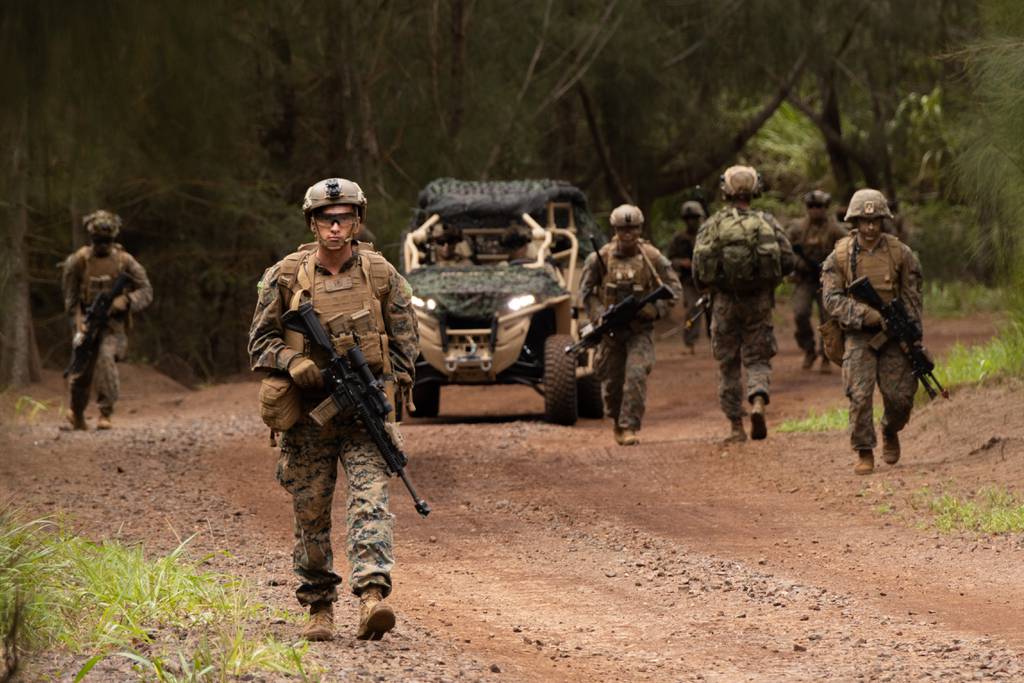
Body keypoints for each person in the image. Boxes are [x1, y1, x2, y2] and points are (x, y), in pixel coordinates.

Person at [248, 178, 419, 641]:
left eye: (344, 217)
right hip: (307, 418)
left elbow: (406, 340)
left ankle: (371, 598)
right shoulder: (285, 276)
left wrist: (388, 392)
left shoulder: (381, 274)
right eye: (327, 218)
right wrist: (293, 361)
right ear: (313, 223)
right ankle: (319, 608)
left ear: (357, 221)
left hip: (363, 417)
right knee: (310, 513)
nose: (336, 226)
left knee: (370, 503)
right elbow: (259, 343)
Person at [821, 188, 923, 475]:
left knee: (900, 397)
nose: (869, 227)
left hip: (894, 336)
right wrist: (868, 316)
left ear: (883, 221)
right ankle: (864, 450)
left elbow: (913, 296)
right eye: (864, 222)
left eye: (876, 221)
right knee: (860, 395)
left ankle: (890, 429)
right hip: (858, 335)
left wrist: (912, 335)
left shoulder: (900, 253)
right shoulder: (840, 256)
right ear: (854, 221)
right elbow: (831, 300)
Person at [693, 165, 795, 443]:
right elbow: (788, 260)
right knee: (757, 357)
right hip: (759, 302)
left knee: (728, 364)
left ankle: (736, 427)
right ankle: (758, 399)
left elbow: (698, 269)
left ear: (725, 191)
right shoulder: (766, 222)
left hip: (724, 303)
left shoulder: (713, 224)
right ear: (755, 190)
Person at [579, 204, 681, 446]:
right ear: (614, 230)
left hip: (639, 331)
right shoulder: (599, 258)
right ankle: (617, 420)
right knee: (612, 385)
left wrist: (655, 310)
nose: (628, 234)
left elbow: (674, 290)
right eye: (623, 229)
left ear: (640, 229)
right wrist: (599, 314)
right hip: (611, 332)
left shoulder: (653, 257)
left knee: (636, 376)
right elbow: (585, 293)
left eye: (633, 228)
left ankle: (628, 426)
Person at [61, 210, 153, 430]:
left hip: (113, 326)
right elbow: (71, 298)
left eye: (106, 240)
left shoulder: (124, 261)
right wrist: (79, 321)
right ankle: (77, 412)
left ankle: (105, 413)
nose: (102, 245)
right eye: (98, 240)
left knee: (105, 359)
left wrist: (126, 300)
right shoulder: (79, 261)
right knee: (81, 368)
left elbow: (146, 290)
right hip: (87, 324)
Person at [787, 190, 848, 372]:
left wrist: (831, 265)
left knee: (828, 319)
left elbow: (847, 247)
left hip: (827, 280)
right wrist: (799, 263)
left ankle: (826, 356)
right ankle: (808, 350)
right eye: (811, 207)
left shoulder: (834, 229)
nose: (815, 210)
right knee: (800, 313)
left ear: (825, 208)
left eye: (819, 206)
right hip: (804, 279)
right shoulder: (798, 228)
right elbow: (785, 248)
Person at [666, 200, 708, 352]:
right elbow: (668, 260)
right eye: (689, 219)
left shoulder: (707, 236)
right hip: (690, 281)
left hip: (708, 279)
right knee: (693, 309)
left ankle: (715, 341)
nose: (692, 222)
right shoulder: (679, 239)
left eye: (695, 218)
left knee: (714, 310)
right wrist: (681, 262)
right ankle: (690, 341)